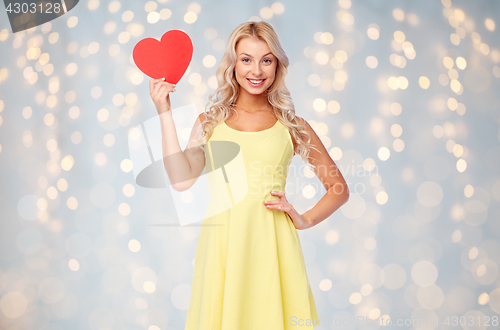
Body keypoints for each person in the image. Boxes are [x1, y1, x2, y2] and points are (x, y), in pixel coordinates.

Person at [149, 21, 350, 330]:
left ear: (277, 65)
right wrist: (164, 111)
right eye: (246, 59)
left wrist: (304, 219)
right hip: (224, 246)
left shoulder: (293, 126)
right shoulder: (210, 122)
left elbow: (338, 188)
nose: (256, 70)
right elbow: (181, 179)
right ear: (233, 64)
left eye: (266, 60)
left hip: (273, 246)